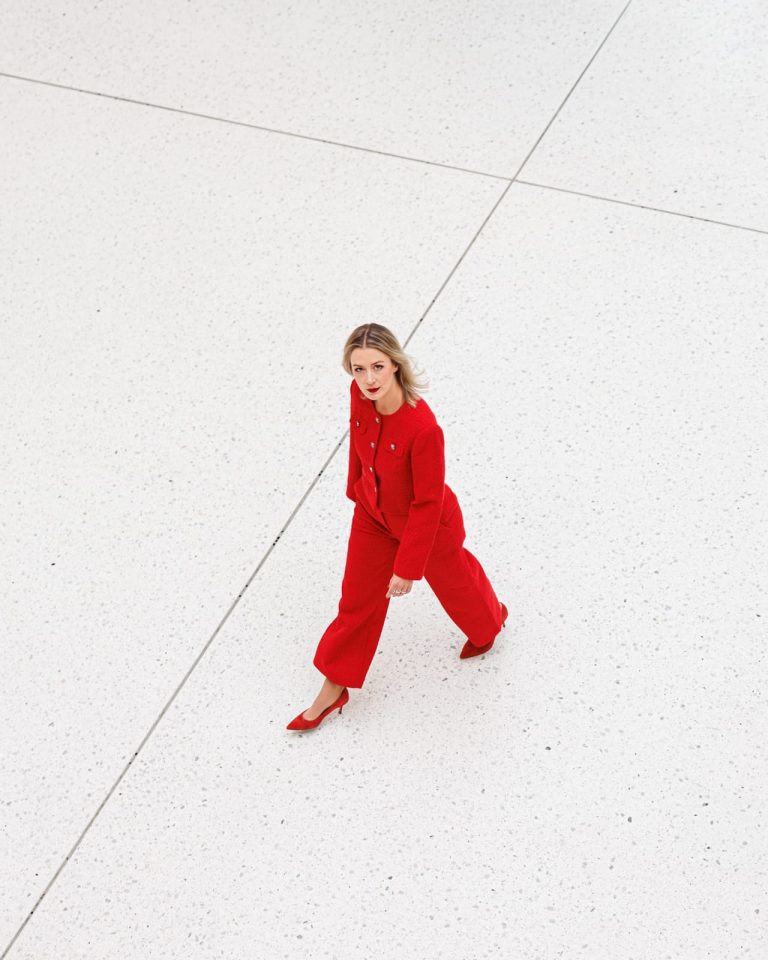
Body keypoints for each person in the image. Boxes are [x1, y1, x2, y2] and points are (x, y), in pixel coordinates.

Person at [286, 323, 507, 731]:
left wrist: (406, 568)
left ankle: (490, 621)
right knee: (356, 601)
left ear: (395, 365)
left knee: (455, 582)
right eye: (358, 369)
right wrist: (356, 489)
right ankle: (333, 691)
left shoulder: (423, 428)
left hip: (426, 526)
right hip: (373, 515)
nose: (368, 379)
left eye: (377, 367)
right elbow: (356, 440)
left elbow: (428, 502)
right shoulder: (357, 395)